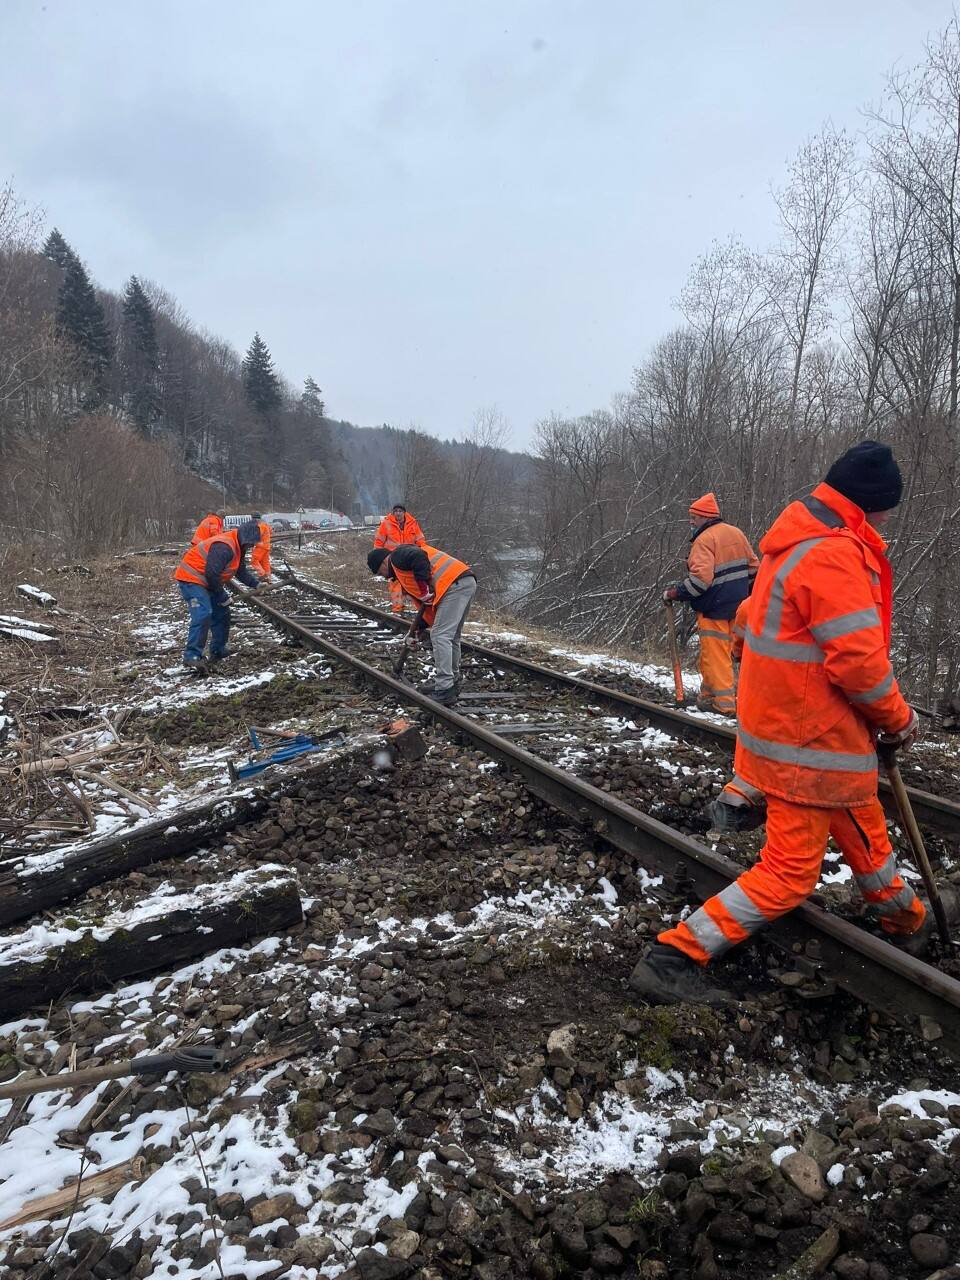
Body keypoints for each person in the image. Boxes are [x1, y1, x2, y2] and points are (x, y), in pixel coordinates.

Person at [632, 441, 930, 1005]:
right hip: (810, 746)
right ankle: (673, 957)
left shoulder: (789, 544)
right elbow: (860, 665)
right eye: (887, 506)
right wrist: (899, 718)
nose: (891, 516)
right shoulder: (834, 554)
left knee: (865, 831)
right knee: (790, 875)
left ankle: (906, 920)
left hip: (803, 738)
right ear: (869, 504)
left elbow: (751, 622)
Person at [663, 493, 759, 715]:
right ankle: (707, 695)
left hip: (713, 609)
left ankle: (724, 705)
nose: (691, 522)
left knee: (716, 656)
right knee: (722, 654)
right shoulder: (737, 533)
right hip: (738, 606)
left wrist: (675, 593)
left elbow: (700, 581)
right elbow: (755, 569)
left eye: (694, 518)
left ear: (705, 517)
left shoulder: (703, 541)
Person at [367, 543, 476, 705]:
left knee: (440, 636)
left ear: (383, 562)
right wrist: (417, 631)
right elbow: (428, 611)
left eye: (380, 572)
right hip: (462, 582)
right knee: (451, 636)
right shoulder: (404, 572)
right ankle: (451, 682)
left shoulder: (398, 556)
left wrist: (424, 590)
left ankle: (445, 688)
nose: (385, 577)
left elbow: (418, 556)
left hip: (453, 584)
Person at [173, 520, 262, 669]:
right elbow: (212, 574)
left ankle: (217, 650)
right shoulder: (224, 547)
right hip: (191, 579)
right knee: (203, 613)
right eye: (250, 543)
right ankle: (192, 656)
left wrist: (256, 584)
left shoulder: (239, 546)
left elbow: (239, 571)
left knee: (222, 613)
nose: (251, 546)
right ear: (244, 538)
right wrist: (222, 596)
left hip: (206, 581)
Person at [373, 504, 427, 613]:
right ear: (393, 512)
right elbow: (378, 542)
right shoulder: (386, 524)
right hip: (392, 560)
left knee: (412, 582)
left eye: (400, 511)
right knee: (395, 585)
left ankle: (419, 609)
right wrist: (379, 558)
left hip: (410, 559)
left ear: (404, 512)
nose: (398, 513)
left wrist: (423, 552)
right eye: (396, 511)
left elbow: (420, 539)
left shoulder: (412, 523)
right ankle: (397, 608)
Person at [250, 512, 274, 583]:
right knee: (265, 564)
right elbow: (271, 531)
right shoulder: (265, 524)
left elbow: (256, 535)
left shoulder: (259, 525)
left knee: (254, 561)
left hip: (260, 546)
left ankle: (263, 575)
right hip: (266, 547)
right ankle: (268, 578)